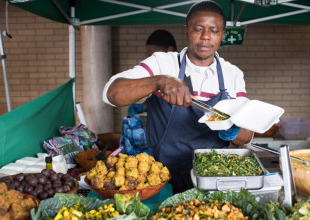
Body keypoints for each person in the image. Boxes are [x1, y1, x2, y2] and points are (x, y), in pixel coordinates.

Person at [103, 0, 253, 194]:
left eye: (214, 31)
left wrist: (234, 128)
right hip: (162, 179)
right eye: (198, 29)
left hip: (212, 181)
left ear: (223, 34)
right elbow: (111, 93)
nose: (206, 37)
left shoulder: (232, 74)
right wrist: (158, 81)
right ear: (186, 30)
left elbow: (246, 136)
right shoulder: (163, 63)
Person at [127, 29, 178, 117]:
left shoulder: (183, 72)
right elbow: (156, 100)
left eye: (154, 55)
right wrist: (143, 106)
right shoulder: (156, 73)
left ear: (170, 50)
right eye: (148, 55)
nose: (150, 59)